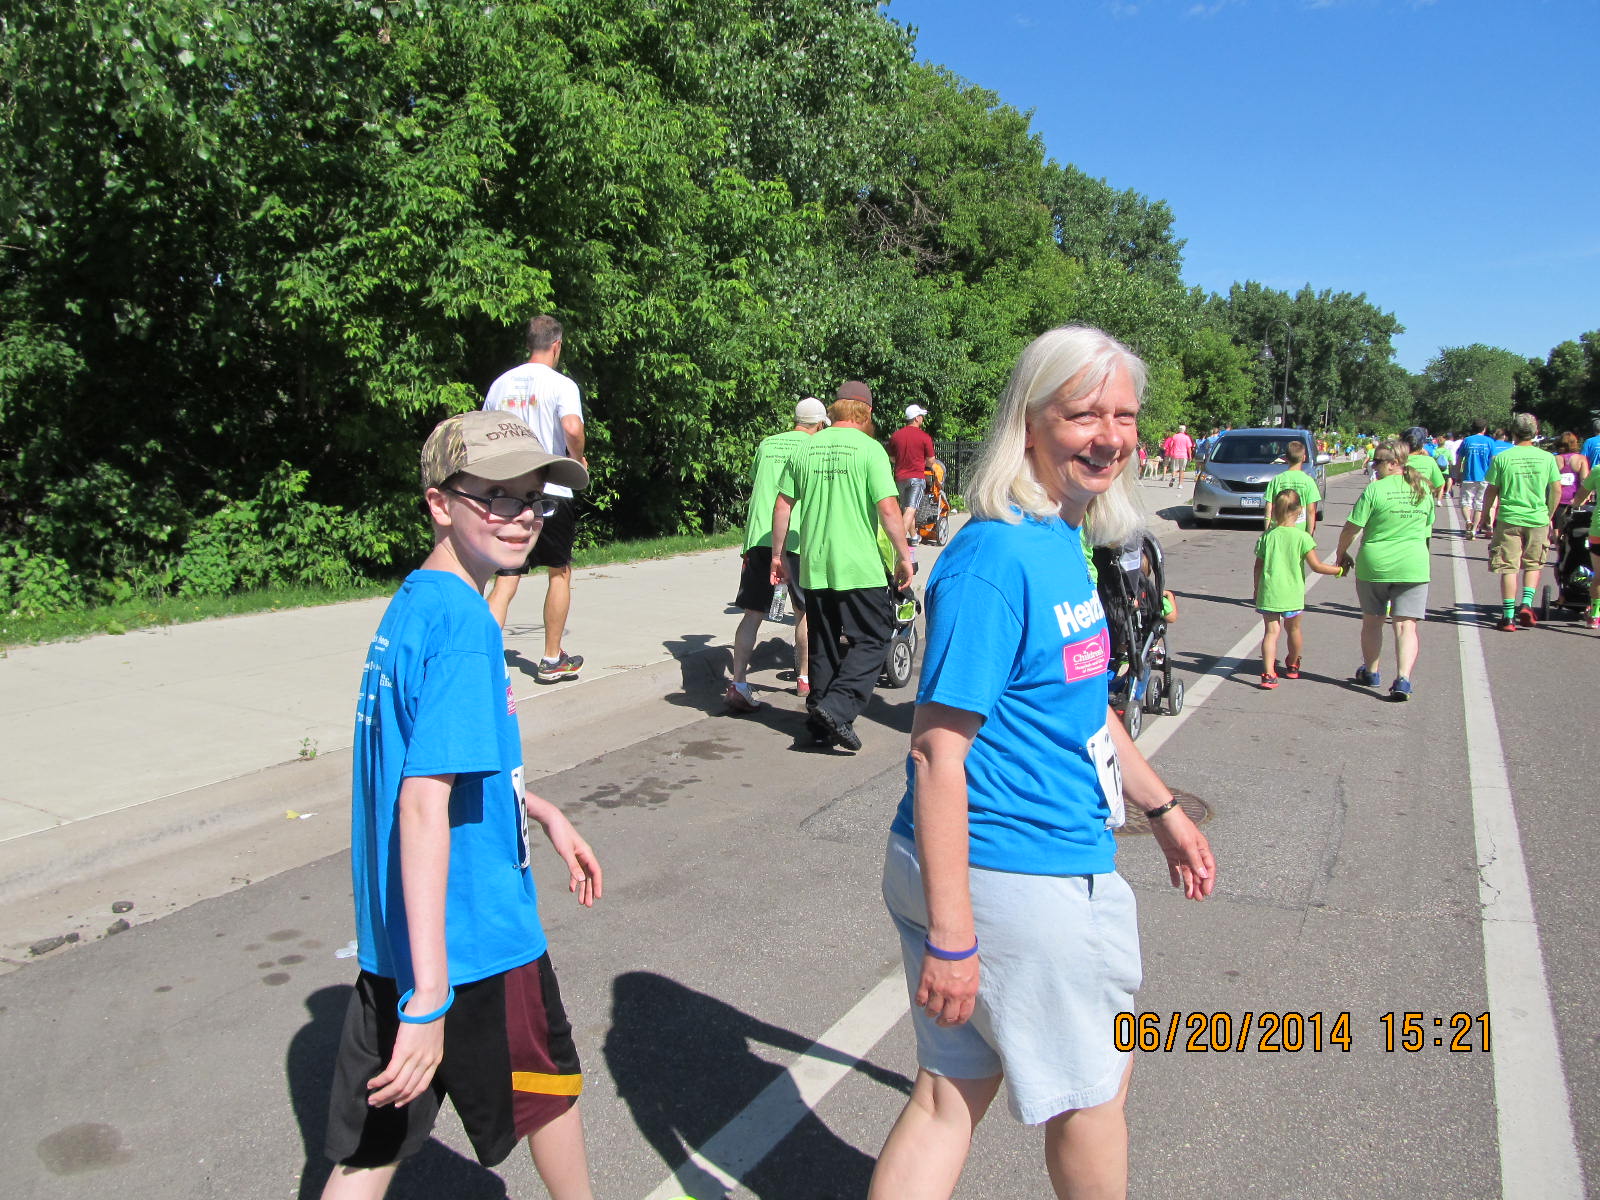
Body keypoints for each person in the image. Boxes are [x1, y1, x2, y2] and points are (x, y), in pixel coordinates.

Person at [868, 325, 1215, 1200]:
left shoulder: (1059, 534)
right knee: (1095, 1095)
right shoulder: (995, 557)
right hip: (1014, 872)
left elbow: (1082, 704)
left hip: (1002, 869)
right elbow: (936, 752)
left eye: (1125, 416)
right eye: (1084, 414)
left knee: (950, 1095)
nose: (1110, 436)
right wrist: (954, 934)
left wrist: (1162, 809)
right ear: (1030, 422)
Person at [321, 411, 601, 1199]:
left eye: (533, 499)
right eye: (496, 497)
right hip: (473, 941)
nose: (521, 517)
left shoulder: (415, 604)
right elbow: (421, 805)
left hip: (395, 942)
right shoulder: (466, 629)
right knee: (549, 1094)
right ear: (440, 503)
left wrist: (538, 809)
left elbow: (431, 765)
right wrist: (431, 998)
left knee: (369, 1150)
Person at [770, 381, 913, 752]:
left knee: (825, 642)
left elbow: (783, 504)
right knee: (874, 637)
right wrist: (904, 555)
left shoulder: (806, 448)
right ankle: (837, 708)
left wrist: (777, 555)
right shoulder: (869, 450)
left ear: (834, 410)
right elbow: (888, 509)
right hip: (859, 566)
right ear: (867, 412)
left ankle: (819, 720)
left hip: (816, 564)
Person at [483, 315, 588, 683]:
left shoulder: (500, 385)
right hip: (552, 488)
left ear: (529, 343)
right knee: (559, 572)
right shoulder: (561, 384)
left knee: (506, 576)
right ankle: (551, 659)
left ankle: (483, 657)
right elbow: (572, 427)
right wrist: (576, 458)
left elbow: (484, 434)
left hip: (507, 493)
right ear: (556, 345)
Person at [724, 398, 826, 713]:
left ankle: (738, 683)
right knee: (803, 612)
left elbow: (759, 482)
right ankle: (804, 678)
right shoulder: (814, 448)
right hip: (795, 538)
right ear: (819, 424)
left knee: (753, 613)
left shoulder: (767, 444)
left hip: (759, 536)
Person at [1335, 441, 1434, 701]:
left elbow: (1352, 528)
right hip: (1413, 565)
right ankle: (1403, 679)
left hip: (1375, 565)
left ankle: (1371, 671)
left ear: (1393, 464)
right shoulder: (1423, 488)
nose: (1373, 466)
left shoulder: (1375, 490)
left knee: (1373, 621)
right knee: (1406, 626)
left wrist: (1341, 553)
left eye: (1377, 461)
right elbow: (1427, 530)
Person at [1476, 412, 1561, 630]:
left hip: (1509, 517)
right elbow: (1556, 490)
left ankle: (1508, 617)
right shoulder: (1547, 458)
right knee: (1533, 564)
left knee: (1508, 566)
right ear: (1536, 432)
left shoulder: (1502, 458)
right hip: (1537, 517)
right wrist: (1549, 515)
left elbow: (1491, 490)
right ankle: (1526, 604)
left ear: (1513, 432)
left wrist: (1486, 516)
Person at [1254, 490, 1343, 688]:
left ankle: (1268, 674)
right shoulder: (1302, 538)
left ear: (1275, 510)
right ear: (1300, 511)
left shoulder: (1268, 536)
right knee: (1293, 629)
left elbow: (1258, 566)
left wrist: (1256, 588)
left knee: (1271, 632)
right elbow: (1317, 566)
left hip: (1269, 592)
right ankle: (1293, 664)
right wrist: (1339, 570)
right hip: (1292, 594)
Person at [890, 404, 938, 548]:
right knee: (911, 509)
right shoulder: (924, 437)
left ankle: (914, 537)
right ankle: (898, 542)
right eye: (921, 416)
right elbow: (931, 460)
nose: (922, 418)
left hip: (899, 478)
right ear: (916, 418)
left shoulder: (896, 436)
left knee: (906, 508)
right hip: (916, 478)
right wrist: (925, 463)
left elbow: (892, 458)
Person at [1261, 439, 1321, 534]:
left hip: (1277, 530)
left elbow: (1269, 507)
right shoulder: (1308, 481)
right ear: (1304, 458)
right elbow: (1311, 511)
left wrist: (1267, 530)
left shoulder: (1277, 480)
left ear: (1286, 458)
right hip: (1300, 531)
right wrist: (1309, 534)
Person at [1569, 462, 1600, 629]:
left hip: (1598, 530)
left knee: (1599, 575)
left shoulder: (1598, 470)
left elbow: (1581, 496)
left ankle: (1594, 615)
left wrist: (1573, 505)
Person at [1456, 419, 1496, 538]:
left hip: (1469, 475)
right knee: (1479, 504)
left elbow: (1459, 459)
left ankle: (1468, 521)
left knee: (1465, 502)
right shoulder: (1490, 441)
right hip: (1485, 477)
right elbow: (1493, 460)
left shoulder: (1467, 440)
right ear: (1484, 429)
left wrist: (1458, 474)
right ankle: (1474, 530)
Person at [1551, 431, 1588, 549]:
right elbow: (1584, 481)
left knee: (1557, 527)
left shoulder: (1555, 459)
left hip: (1557, 498)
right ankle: (1569, 550)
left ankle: (1559, 550)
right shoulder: (1581, 459)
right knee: (1573, 528)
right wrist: (1583, 499)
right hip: (1575, 499)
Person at [1400, 427, 1445, 496]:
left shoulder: (1397, 461)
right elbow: (1439, 485)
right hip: (1423, 499)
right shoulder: (1429, 461)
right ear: (1423, 444)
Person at [1161, 424, 1195, 488]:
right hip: (1183, 455)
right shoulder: (1186, 437)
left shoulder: (1175, 436)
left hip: (1175, 455)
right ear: (1184, 430)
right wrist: (1190, 456)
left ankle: (1173, 477)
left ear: (1179, 430)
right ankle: (1180, 484)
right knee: (1182, 470)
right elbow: (1189, 448)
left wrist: (1172, 452)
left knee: (1175, 469)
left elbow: (1171, 445)